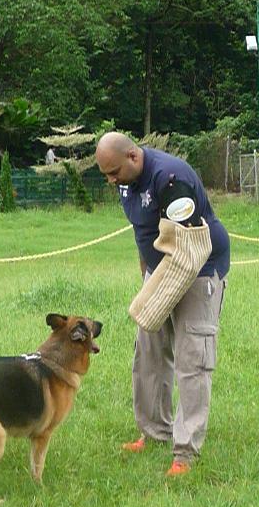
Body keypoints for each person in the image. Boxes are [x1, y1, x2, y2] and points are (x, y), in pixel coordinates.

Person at [95, 132, 229, 476]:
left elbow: (188, 246)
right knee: (149, 353)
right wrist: (147, 283)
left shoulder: (170, 179)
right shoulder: (127, 180)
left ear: (132, 158)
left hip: (198, 269)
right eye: (105, 175)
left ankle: (185, 453)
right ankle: (154, 432)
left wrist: (164, 296)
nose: (111, 181)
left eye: (113, 173)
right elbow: (144, 235)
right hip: (160, 270)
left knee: (192, 357)